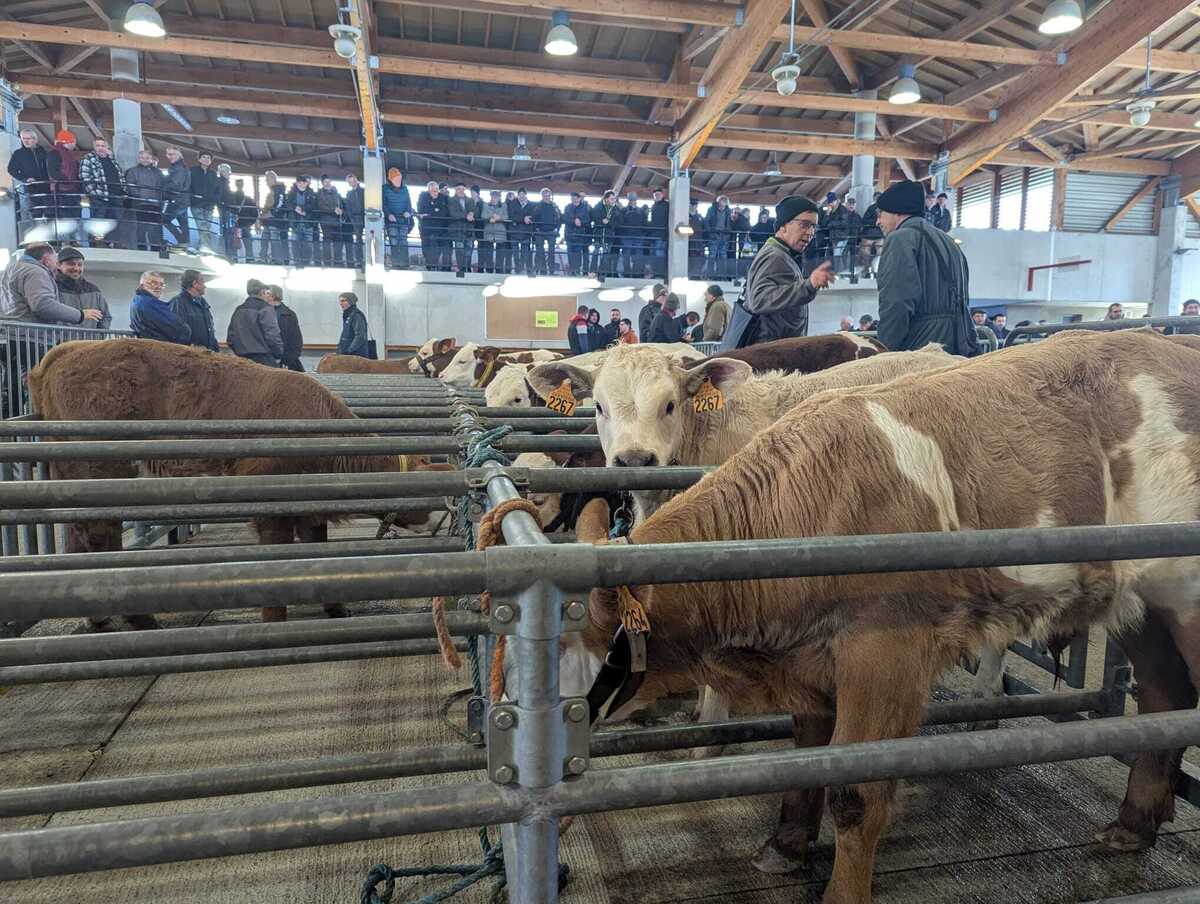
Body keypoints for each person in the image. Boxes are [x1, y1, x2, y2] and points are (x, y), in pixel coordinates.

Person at [876, 180, 978, 357]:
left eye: (881, 213)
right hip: (958, 344)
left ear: (897, 211)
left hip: (922, 348)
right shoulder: (949, 242)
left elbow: (897, 302)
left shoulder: (900, 239)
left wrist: (884, 351)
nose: (878, 221)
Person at [722, 196, 835, 349]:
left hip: (775, 352)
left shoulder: (782, 255)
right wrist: (809, 285)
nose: (810, 232)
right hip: (769, 357)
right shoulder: (775, 256)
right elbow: (759, 300)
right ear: (783, 226)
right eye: (804, 225)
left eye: (813, 227)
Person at [1, 243, 100, 326]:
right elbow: (43, 305)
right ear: (46, 260)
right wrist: (80, 315)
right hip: (33, 336)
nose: (55, 266)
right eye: (55, 260)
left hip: (13, 331)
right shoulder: (36, 272)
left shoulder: (9, 270)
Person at [78, 138, 126, 248]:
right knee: (98, 220)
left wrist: (123, 191)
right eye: (98, 145)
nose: (101, 148)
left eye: (103, 146)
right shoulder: (88, 159)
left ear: (107, 147)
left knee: (115, 221)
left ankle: (112, 244)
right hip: (99, 196)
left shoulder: (113, 160)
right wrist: (94, 192)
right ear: (94, 147)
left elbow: (121, 176)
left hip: (115, 196)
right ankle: (97, 245)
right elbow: (84, 177)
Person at [227, 278, 283, 366]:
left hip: (242, 361)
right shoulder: (266, 309)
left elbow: (230, 338)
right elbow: (272, 336)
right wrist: (278, 354)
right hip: (264, 360)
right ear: (262, 292)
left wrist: (240, 353)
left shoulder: (238, 310)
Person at [54, 248, 110, 329]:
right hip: (61, 341)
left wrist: (97, 338)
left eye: (80, 265)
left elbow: (105, 317)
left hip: (89, 341)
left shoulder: (93, 290)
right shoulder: (52, 287)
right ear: (58, 265)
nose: (76, 268)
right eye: (71, 264)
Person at [8, 129, 49, 236]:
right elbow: (11, 169)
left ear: (35, 139)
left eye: (28, 138)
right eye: (23, 139)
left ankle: (49, 238)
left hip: (46, 188)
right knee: (32, 214)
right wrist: (25, 179)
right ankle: (34, 238)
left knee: (48, 213)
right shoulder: (18, 154)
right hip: (29, 189)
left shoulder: (43, 152)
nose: (26, 141)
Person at [130, 271, 191, 344]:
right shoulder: (149, 303)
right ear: (142, 285)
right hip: (162, 350)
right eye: (153, 283)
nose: (158, 287)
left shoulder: (137, 300)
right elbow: (182, 329)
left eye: (161, 284)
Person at [125, 149, 165, 252]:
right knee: (141, 228)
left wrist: (160, 201)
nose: (145, 160)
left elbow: (162, 187)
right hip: (140, 204)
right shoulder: (132, 171)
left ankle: (156, 249)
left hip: (156, 205)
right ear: (139, 158)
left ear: (151, 159)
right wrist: (139, 196)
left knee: (155, 229)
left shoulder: (158, 172)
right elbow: (130, 186)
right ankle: (141, 249)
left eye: (147, 158)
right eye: (143, 157)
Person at [168, 269, 218, 352]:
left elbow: (210, 331)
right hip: (191, 357)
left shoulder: (203, 304)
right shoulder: (178, 303)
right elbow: (176, 332)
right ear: (195, 284)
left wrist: (216, 350)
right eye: (202, 282)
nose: (205, 286)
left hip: (208, 354)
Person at [46, 130, 82, 239]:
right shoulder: (58, 153)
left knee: (69, 216)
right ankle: (66, 241)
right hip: (62, 191)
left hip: (67, 190)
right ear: (70, 141)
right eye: (74, 142)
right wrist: (67, 181)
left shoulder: (59, 153)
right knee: (67, 216)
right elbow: (53, 172)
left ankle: (68, 240)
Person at [266, 284, 305, 371]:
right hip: (267, 360)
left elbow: (296, 341)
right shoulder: (262, 312)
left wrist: (287, 360)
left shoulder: (289, 314)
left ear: (274, 295)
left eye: (267, 293)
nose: (264, 295)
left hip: (285, 361)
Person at [380, 168, 412, 270]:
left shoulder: (405, 189)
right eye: (396, 178)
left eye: (399, 178)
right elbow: (383, 204)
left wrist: (408, 212)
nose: (398, 180)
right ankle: (396, 264)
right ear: (391, 179)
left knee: (403, 241)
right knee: (393, 241)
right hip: (391, 221)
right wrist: (388, 214)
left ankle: (404, 264)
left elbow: (408, 203)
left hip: (403, 220)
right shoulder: (384, 189)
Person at [189, 152, 221, 253]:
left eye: (208, 158)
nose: (206, 159)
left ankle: (202, 247)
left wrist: (214, 200)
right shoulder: (192, 171)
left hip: (209, 206)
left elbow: (217, 189)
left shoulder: (213, 174)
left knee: (207, 227)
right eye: (204, 157)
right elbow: (188, 185)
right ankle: (206, 248)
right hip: (196, 204)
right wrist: (192, 197)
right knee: (202, 226)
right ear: (199, 159)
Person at [286, 175, 318, 267]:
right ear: (296, 183)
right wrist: (295, 208)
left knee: (308, 244)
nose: (301, 184)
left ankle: (306, 263)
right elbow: (287, 204)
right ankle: (297, 262)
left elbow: (313, 206)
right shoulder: (291, 193)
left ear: (306, 183)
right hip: (295, 223)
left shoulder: (312, 193)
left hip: (308, 222)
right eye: (299, 182)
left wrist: (303, 210)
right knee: (295, 243)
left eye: (303, 182)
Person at [313, 175, 344, 267]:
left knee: (338, 242)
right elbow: (320, 206)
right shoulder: (319, 194)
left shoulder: (336, 193)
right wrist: (333, 210)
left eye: (328, 181)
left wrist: (341, 211)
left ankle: (338, 262)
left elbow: (342, 204)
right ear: (322, 183)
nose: (327, 183)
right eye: (325, 182)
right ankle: (327, 263)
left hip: (337, 221)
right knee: (327, 241)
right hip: (326, 221)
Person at [417, 181, 449, 271]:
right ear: (428, 190)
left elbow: (443, 213)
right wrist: (435, 211)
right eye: (432, 190)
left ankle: (434, 265)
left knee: (437, 248)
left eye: (436, 190)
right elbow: (421, 210)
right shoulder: (422, 197)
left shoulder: (443, 198)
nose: (434, 192)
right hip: (425, 229)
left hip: (439, 229)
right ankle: (429, 265)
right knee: (426, 248)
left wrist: (429, 214)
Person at [259, 171, 289, 265]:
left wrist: (270, 214)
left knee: (274, 239)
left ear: (273, 179)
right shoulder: (273, 191)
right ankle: (262, 258)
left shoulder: (279, 190)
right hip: (268, 221)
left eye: (267, 179)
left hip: (275, 221)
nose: (266, 181)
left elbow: (279, 205)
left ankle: (276, 259)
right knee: (264, 238)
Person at [590, 191, 620, 277]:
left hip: (609, 235)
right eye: (612, 199)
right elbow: (595, 218)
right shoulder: (598, 207)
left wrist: (608, 223)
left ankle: (602, 272)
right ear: (606, 199)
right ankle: (592, 271)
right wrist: (602, 222)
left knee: (606, 255)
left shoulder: (616, 209)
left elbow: (618, 221)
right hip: (598, 235)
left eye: (614, 199)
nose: (614, 200)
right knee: (595, 253)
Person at [532, 188, 561, 275]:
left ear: (550, 196)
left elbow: (559, 218)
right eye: (544, 195)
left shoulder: (555, 206)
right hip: (540, 232)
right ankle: (542, 270)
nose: (546, 197)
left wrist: (557, 229)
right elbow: (533, 217)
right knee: (539, 251)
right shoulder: (537, 206)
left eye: (548, 195)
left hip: (551, 232)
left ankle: (551, 270)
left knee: (551, 252)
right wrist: (536, 228)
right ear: (542, 196)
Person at [446, 183, 473, 274]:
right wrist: (466, 216)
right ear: (455, 190)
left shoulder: (470, 200)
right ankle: (461, 269)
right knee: (460, 251)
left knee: (469, 251)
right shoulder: (451, 200)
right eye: (459, 189)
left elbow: (475, 211)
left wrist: (472, 214)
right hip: (457, 231)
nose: (461, 190)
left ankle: (467, 269)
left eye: (462, 189)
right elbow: (453, 213)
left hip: (469, 230)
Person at [507, 188, 535, 275]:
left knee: (525, 253)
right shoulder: (512, 204)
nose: (521, 196)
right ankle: (517, 268)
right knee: (515, 253)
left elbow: (534, 215)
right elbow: (511, 216)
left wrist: (527, 218)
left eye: (523, 194)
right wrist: (524, 218)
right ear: (518, 195)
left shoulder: (532, 205)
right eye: (520, 194)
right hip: (514, 232)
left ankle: (521, 268)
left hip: (526, 233)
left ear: (526, 195)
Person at [620, 191, 647, 278]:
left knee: (638, 255)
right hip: (626, 236)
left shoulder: (641, 211)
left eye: (634, 199)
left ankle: (637, 273)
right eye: (631, 199)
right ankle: (627, 273)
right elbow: (621, 223)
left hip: (638, 237)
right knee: (626, 255)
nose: (632, 201)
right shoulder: (623, 210)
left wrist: (643, 234)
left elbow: (644, 223)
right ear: (628, 200)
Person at [704, 195, 732, 279]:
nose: (723, 203)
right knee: (712, 255)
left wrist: (727, 233)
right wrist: (710, 232)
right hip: (713, 236)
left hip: (724, 237)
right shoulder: (711, 210)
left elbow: (730, 223)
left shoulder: (728, 211)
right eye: (722, 201)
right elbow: (707, 221)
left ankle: (722, 275)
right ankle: (710, 275)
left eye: (725, 201)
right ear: (718, 201)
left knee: (723, 257)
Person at [562, 191, 590, 276]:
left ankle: (577, 269)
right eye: (572, 198)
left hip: (580, 234)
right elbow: (565, 219)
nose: (573, 200)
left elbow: (588, 220)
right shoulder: (567, 207)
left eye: (575, 198)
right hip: (569, 234)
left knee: (578, 253)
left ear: (579, 198)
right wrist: (574, 221)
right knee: (570, 253)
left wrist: (581, 222)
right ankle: (572, 270)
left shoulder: (585, 208)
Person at [480, 190, 507, 274]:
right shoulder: (485, 205)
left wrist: (499, 218)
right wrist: (491, 217)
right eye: (493, 196)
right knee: (488, 252)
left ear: (499, 198)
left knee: (501, 253)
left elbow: (506, 216)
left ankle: (499, 269)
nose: (494, 198)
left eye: (496, 197)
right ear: (490, 197)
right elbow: (483, 215)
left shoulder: (504, 205)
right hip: (489, 232)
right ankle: (489, 269)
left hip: (500, 232)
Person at [336, 291, 370, 358]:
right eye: (340, 301)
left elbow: (360, 336)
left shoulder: (356, 315)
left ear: (350, 301)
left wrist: (349, 350)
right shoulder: (348, 315)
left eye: (343, 301)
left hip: (356, 356)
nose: (340, 303)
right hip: (349, 355)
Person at [343, 172, 366, 269]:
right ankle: (360, 261)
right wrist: (352, 218)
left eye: (353, 181)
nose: (352, 183)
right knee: (358, 240)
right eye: (350, 182)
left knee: (370, 238)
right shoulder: (349, 194)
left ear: (356, 180)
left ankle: (370, 259)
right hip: (356, 219)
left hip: (365, 216)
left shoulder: (364, 191)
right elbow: (348, 208)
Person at [649, 187, 670, 277]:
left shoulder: (666, 205)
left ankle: (661, 274)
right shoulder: (653, 206)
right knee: (653, 255)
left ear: (662, 195)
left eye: (658, 194)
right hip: (653, 235)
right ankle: (655, 273)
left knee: (660, 255)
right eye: (655, 195)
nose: (657, 196)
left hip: (661, 235)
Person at [687, 200, 706, 279]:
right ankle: (690, 274)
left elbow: (705, 229)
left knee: (699, 259)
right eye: (691, 205)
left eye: (695, 205)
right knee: (689, 259)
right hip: (689, 242)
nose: (693, 206)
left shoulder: (700, 217)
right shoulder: (685, 216)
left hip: (698, 242)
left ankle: (697, 275)